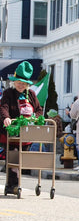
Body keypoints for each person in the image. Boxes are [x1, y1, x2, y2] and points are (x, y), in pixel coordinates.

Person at [0, 61, 42, 191]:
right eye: (18, 82)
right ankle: (12, 186)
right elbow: (3, 107)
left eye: (23, 83)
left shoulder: (32, 94)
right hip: (11, 132)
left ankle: (14, 184)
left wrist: (36, 117)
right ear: (14, 82)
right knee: (13, 158)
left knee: (22, 159)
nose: (21, 85)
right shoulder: (8, 93)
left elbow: (39, 110)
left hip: (27, 133)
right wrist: (6, 118)